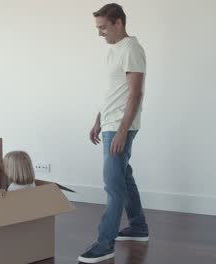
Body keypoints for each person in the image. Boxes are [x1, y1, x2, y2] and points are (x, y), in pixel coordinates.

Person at [78, 3, 149, 263]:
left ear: (118, 22)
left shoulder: (131, 49)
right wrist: (98, 119)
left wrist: (121, 131)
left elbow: (135, 93)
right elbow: (114, 91)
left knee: (113, 186)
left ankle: (104, 244)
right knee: (124, 178)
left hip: (120, 127)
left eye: (103, 27)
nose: (100, 33)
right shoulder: (115, 50)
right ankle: (139, 227)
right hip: (110, 123)